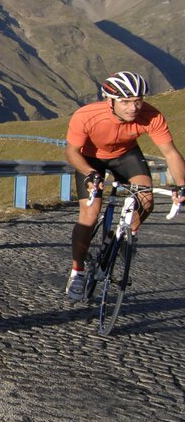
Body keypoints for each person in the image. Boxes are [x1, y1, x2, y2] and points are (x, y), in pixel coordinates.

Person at [64, 70, 185, 300]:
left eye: (138, 101)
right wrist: (90, 174)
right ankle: (77, 271)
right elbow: (71, 152)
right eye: (126, 102)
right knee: (89, 215)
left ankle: (118, 237)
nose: (133, 108)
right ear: (109, 101)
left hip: (126, 155)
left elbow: (171, 153)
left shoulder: (151, 116)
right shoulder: (86, 115)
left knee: (146, 201)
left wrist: (181, 185)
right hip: (90, 159)